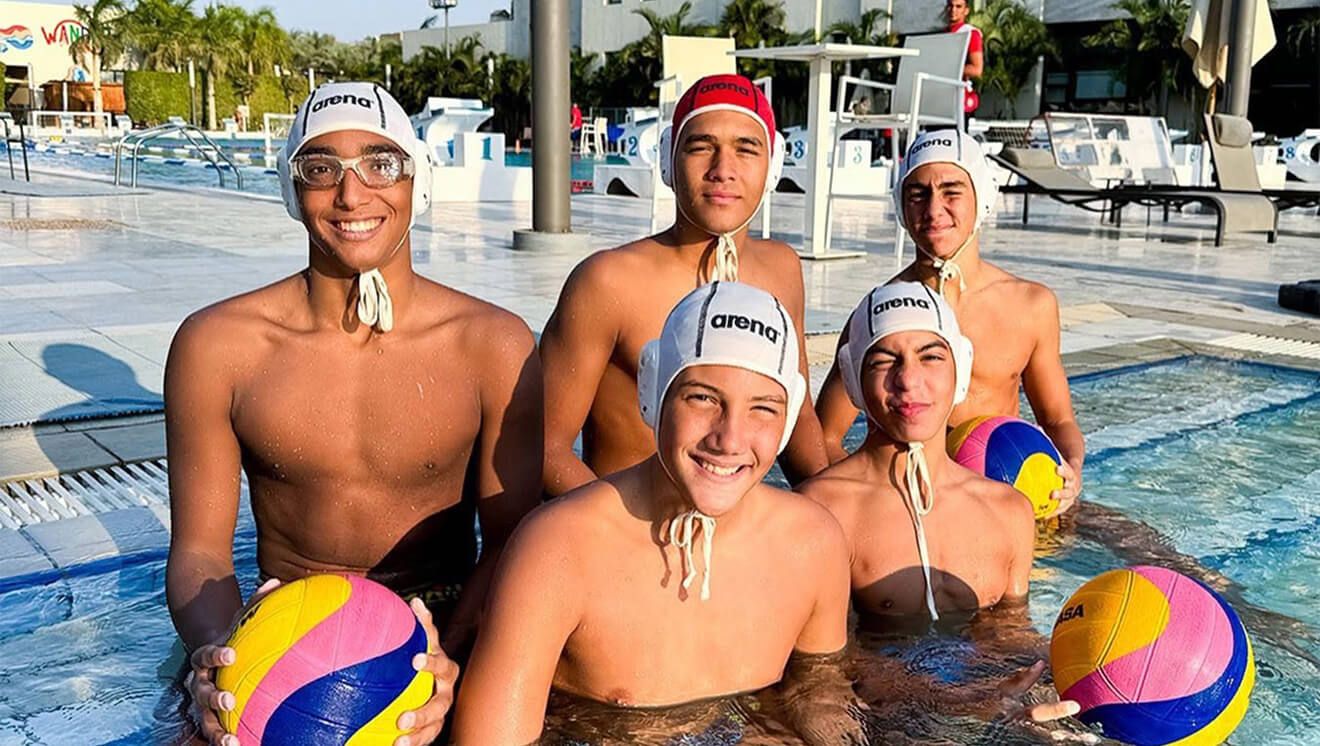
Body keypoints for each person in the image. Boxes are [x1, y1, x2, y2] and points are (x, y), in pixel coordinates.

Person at [165, 82, 543, 746]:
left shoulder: (492, 345)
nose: (351, 193)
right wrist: (218, 655)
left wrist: (447, 660)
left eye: (380, 163)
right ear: (292, 191)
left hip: (443, 625)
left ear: (418, 182)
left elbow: (515, 543)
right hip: (277, 633)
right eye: (321, 168)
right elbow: (198, 551)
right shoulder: (218, 347)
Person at [453, 282, 860, 744]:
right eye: (703, 398)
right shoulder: (559, 549)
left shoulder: (813, 544)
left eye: (763, 408)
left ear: (788, 420)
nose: (729, 440)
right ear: (654, 392)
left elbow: (820, 695)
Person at [540, 74, 828, 496]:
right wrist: (612, 528)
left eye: (746, 149)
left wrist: (832, 509)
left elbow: (798, 419)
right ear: (667, 161)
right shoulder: (608, 282)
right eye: (701, 147)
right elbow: (543, 448)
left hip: (743, 527)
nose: (722, 171)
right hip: (631, 522)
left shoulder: (781, 269)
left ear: (774, 165)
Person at [817, 129, 1085, 514]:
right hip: (908, 500)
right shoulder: (876, 317)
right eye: (918, 194)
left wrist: (1070, 468)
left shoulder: (1031, 305)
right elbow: (825, 436)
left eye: (951, 192)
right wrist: (860, 507)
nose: (933, 209)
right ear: (901, 207)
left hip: (1004, 496)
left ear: (983, 197)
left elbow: (1058, 420)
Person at [801, 283, 1035, 623]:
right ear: (853, 381)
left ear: (961, 368)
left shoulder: (1010, 511)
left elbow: (1013, 635)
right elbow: (823, 653)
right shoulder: (820, 512)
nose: (908, 380)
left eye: (931, 357)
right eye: (883, 361)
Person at [946, 0, 984, 115]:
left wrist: (948, 69)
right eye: (951, 6)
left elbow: (977, 69)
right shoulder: (942, 33)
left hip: (961, 99)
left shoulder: (971, 34)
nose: (953, 10)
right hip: (940, 97)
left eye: (958, 6)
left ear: (966, 10)